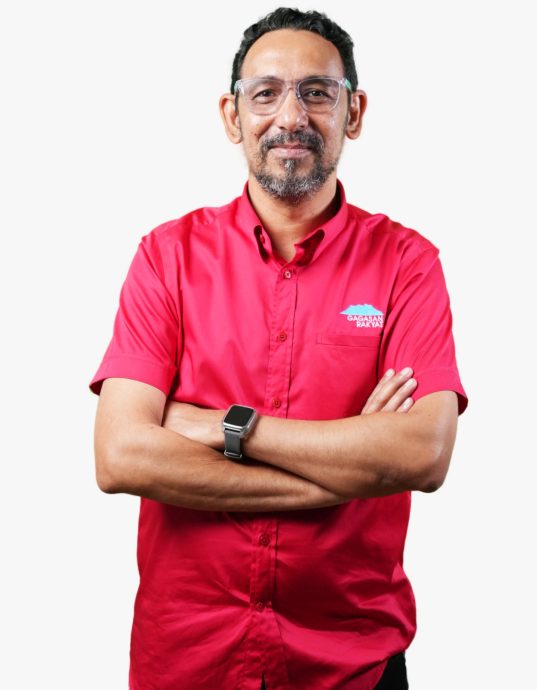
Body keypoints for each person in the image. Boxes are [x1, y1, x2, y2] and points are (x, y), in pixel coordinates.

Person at [89, 7, 468, 690]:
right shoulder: (166, 258)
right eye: (265, 93)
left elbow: (422, 455)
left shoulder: (407, 264)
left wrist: (222, 426)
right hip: (189, 659)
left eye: (317, 92)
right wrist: (347, 470)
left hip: (352, 662)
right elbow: (122, 457)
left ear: (353, 113)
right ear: (232, 116)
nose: (290, 116)